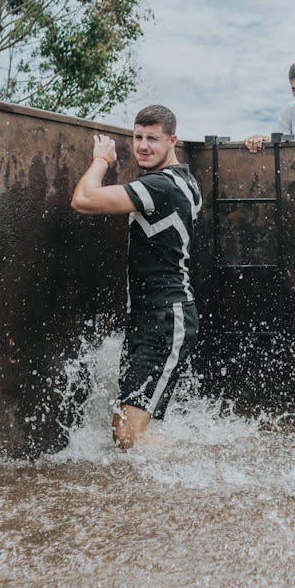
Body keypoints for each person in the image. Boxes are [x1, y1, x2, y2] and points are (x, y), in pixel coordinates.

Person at [71, 105, 202, 450]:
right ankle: (182, 471)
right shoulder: (184, 180)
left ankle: (202, 473)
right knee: (132, 430)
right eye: (137, 137)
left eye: (152, 139)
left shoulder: (161, 186)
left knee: (126, 433)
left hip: (165, 317)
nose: (143, 146)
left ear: (172, 140)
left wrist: (101, 159)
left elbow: (83, 199)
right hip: (150, 318)